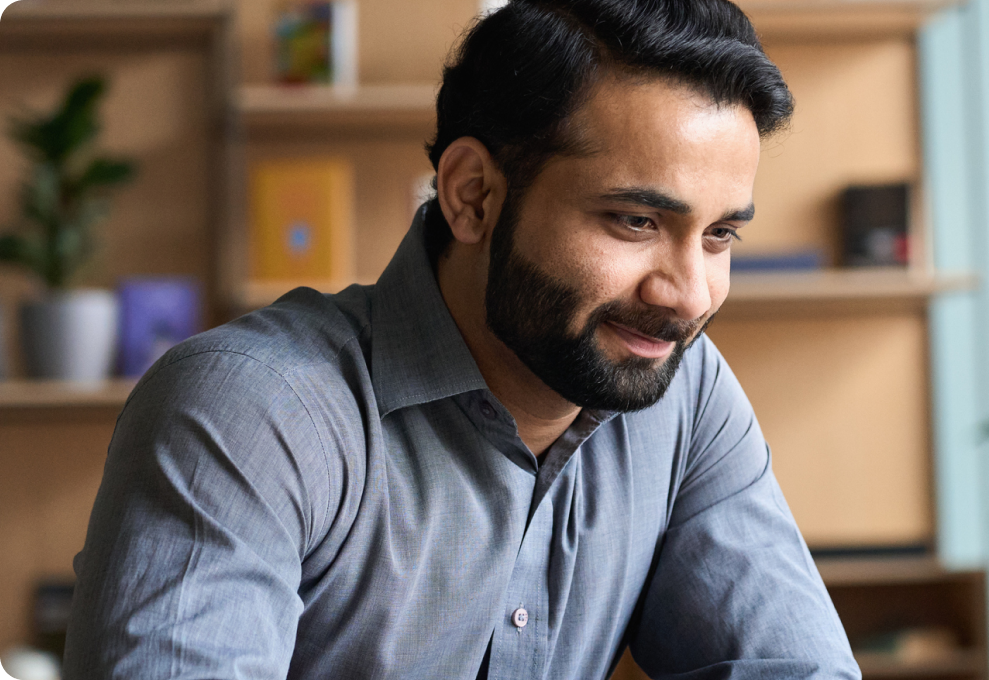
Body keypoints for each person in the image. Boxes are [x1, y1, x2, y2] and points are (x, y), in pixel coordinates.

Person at [64, 0, 860, 678]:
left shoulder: (683, 395)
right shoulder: (255, 411)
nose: (687, 295)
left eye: (720, 235)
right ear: (473, 195)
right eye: (636, 221)